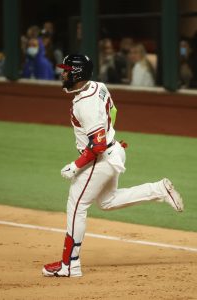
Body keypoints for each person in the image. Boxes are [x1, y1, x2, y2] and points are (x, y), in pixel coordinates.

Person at [42, 54, 184, 278]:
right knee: (107, 201)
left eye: (67, 70)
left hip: (99, 159)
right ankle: (158, 190)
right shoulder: (99, 86)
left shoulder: (84, 104)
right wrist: (107, 139)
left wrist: (75, 166)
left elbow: (96, 145)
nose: (63, 73)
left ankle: (70, 265)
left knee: (77, 205)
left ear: (77, 73)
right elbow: (113, 114)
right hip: (114, 150)